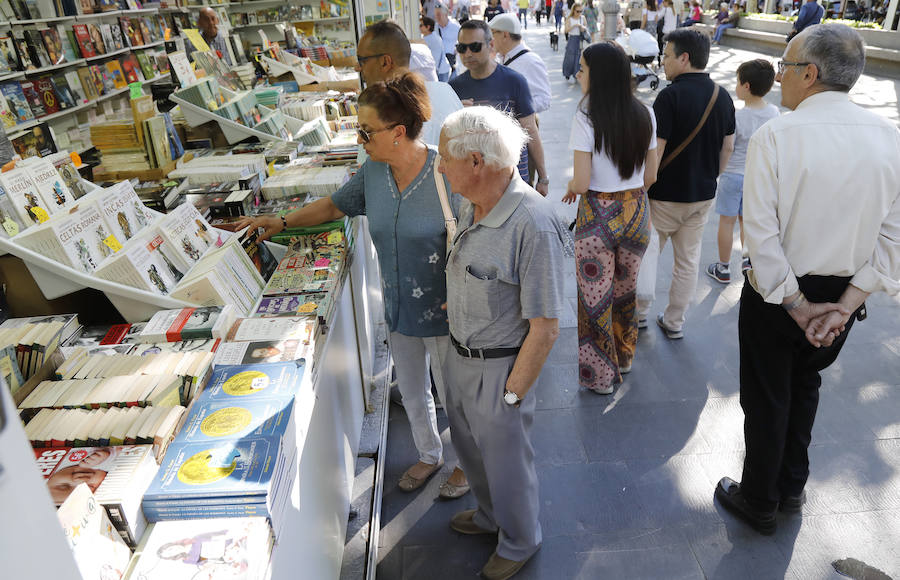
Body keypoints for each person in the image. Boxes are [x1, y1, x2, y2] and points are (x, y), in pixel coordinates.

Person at [235, 73, 470, 500]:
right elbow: (333, 204)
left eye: (366, 131)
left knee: (456, 395)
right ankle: (429, 453)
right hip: (399, 306)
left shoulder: (445, 171)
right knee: (414, 392)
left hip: (448, 308)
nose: (360, 138)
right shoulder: (373, 173)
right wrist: (281, 221)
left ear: (398, 132)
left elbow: (473, 236)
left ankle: (467, 463)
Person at [714, 24, 900, 535]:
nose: (779, 77)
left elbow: (762, 234)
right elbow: (894, 237)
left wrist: (797, 305)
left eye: (786, 67)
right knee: (806, 385)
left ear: (810, 73)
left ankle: (759, 499)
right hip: (843, 294)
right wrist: (843, 307)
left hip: (781, 294)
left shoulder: (779, 133)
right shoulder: (890, 137)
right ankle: (791, 487)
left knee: (767, 395)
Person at [438, 105, 567, 580]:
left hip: (500, 369)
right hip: (461, 357)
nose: (439, 166)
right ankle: (491, 516)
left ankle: (519, 540)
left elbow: (546, 327)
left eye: (445, 158)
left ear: (476, 162)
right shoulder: (477, 205)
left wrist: (512, 394)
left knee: (508, 464)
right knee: (472, 453)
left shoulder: (532, 222)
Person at [563, 42, 658, 395]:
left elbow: (583, 181)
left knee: (593, 299)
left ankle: (601, 378)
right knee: (624, 291)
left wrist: (572, 184)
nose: (578, 73)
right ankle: (625, 357)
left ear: (598, 75)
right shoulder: (646, 113)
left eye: (583, 68)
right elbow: (650, 177)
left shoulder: (585, 117)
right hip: (636, 211)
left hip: (597, 215)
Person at [638, 28, 735, 339]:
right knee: (688, 262)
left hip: (664, 195)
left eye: (666, 56)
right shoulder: (723, 96)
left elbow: (658, 149)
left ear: (684, 58)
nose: (663, 62)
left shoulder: (669, 96)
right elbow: (728, 146)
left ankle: (639, 314)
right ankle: (675, 321)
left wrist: (644, 186)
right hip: (702, 195)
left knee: (648, 254)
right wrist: (712, 176)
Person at [449, 19, 550, 196]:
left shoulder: (515, 81)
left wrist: (543, 178)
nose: (468, 53)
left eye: (475, 46)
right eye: (462, 48)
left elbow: (531, 131)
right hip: (475, 185)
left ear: (491, 45)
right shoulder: (454, 87)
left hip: (513, 183)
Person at [706, 59, 779, 284]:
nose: (736, 87)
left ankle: (723, 267)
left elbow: (727, 147)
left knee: (726, 222)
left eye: (737, 82)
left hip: (732, 175)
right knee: (747, 221)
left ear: (746, 86)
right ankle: (748, 259)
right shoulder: (774, 113)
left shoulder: (736, 117)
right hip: (757, 177)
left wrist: (719, 171)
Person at [354, 20, 463, 147]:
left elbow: (369, 165)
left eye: (362, 60)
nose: (357, 68)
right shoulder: (445, 91)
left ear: (385, 62)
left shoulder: (379, 108)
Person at [489, 14, 551, 114]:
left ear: (505, 35)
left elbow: (544, 100)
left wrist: (513, 108)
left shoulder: (532, 61)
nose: (490, 39)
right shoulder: (498, 58)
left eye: (492, 33)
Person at [421, 16, 451, 81]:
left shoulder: (432, 39)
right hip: (441, 69)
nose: (419, 27)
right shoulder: (430, 36)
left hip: (440, 71)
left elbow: (436, 58)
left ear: (428, 27)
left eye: (421, 25)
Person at [435, 4, 461, 79]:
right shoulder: (435, 27)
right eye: (436, 15)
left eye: (439, 15)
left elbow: (463, 41)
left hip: (452, 61)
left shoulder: (455, 26)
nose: (436, 17)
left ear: (446, 15)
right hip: (439, 62)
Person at [563, 3, 587, 81]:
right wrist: (574, 26)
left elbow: (586, 28)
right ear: (573, 11)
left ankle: (576, 74)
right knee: (570, 57)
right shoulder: (569, 18)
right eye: (577, 11)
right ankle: (567, 73)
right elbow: (566, 30)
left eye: (581, 11)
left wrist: (582, 28)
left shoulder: (582, 18)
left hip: (579, 39)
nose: (579, 13)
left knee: (579, 57)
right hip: (572, 39)